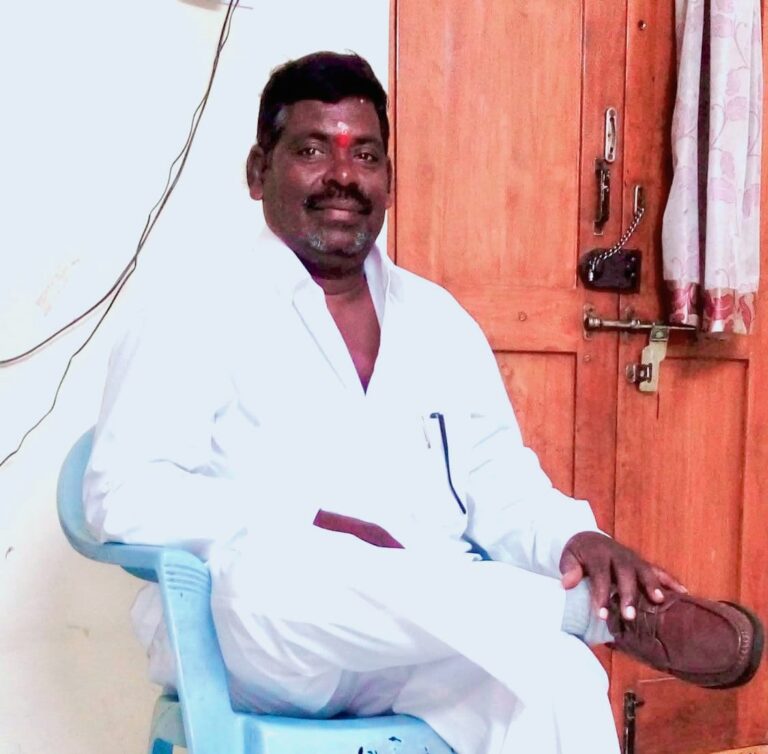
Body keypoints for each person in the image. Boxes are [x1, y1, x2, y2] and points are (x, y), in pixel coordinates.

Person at [83, 52, 763, 754]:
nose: (343, 175)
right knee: (285, 570)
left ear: (389, 180)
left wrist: (574, 541)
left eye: (366, 155)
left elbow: (497, 481)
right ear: (259, 173)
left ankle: (568, 614)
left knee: (558, 678)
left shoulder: (438, 321)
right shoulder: (193, 309)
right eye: (312, 150)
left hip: (418, 640)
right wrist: (305, 521)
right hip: (269, 640)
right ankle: (588, 614)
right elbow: (121, 496)